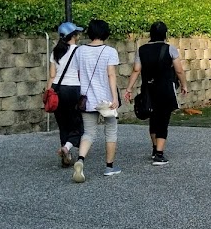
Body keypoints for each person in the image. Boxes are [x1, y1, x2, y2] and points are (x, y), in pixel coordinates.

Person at [124, 21, 188, 166]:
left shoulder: (142, 50)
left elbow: (136, 70)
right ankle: (159, 154)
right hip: (165, 88)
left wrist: (128, 88)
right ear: (165, 34)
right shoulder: (170, 49)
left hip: (148, 88)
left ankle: (154, 149)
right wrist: (184, 84)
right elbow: (179, 70)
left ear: (150, 34)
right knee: (163, 119)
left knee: (153, 118)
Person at [72, 19, 121, 183]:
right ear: (106, 33)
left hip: (87, 99)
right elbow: (111, 75)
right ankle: (109, 167)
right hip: (106, 100)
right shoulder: (110, 51)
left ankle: (80, 160)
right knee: (111, 130)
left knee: (88, 133)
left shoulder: (80, 51)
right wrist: (115, 97)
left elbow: (78, 73)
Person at [46, 21, 83, 167]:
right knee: (78, 124)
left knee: (63, 125)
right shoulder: (78, 51)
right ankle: (67, 148)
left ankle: (65, 156)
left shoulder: (55, 50)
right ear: (73, 35)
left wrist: (49, 92)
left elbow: (52, 74)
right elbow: (81, 73)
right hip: (73, 89)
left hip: (56, 89)